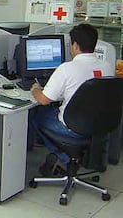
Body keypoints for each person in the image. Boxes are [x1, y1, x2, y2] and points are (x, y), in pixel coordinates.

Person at [31, 23, 113, 175]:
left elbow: (43, 100)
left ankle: (65, 157)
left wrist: (35, 89)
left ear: (74, 45)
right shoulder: (107, 66)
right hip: (100, 126)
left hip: (73, 128)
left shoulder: (66, 68)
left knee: (37, 116)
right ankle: (69, 158)